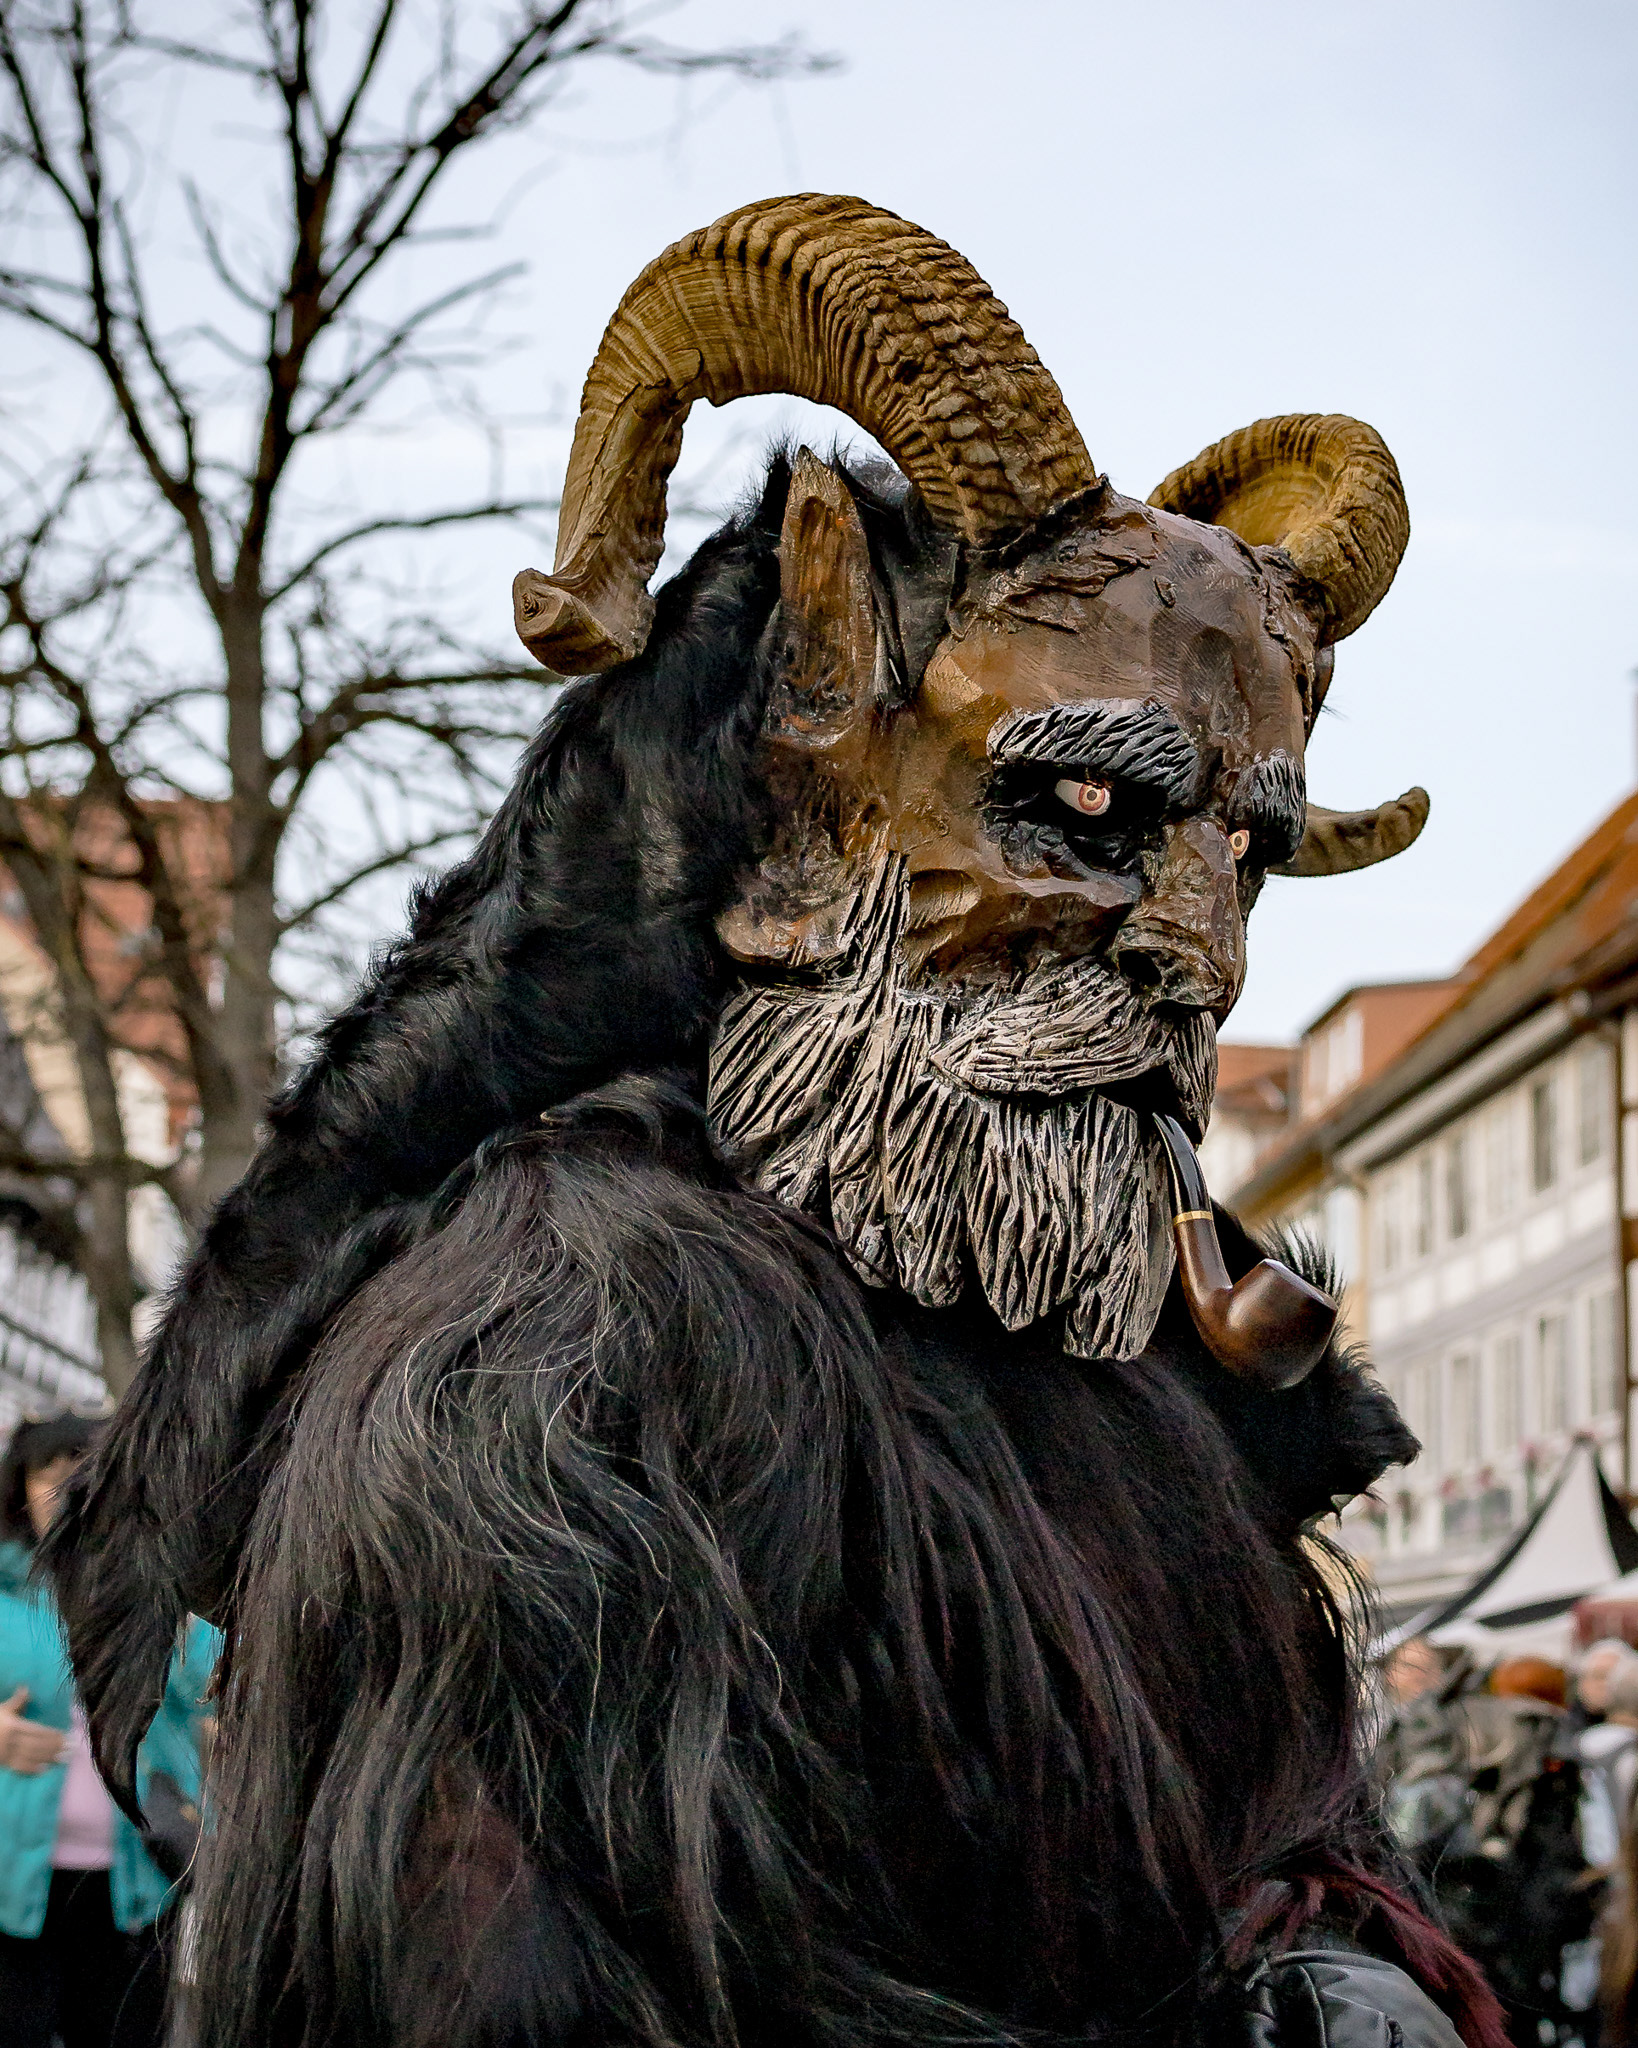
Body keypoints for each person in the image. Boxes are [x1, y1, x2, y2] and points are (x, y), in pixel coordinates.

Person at [0, 1413, 215, 2048]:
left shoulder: (160, 1593)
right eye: (53, 1474)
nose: (72, 1489)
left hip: (138, 1880)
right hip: (13, 1886)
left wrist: (157, 1577)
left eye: (89, 1473)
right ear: (19, 1490)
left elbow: (211, 1679)